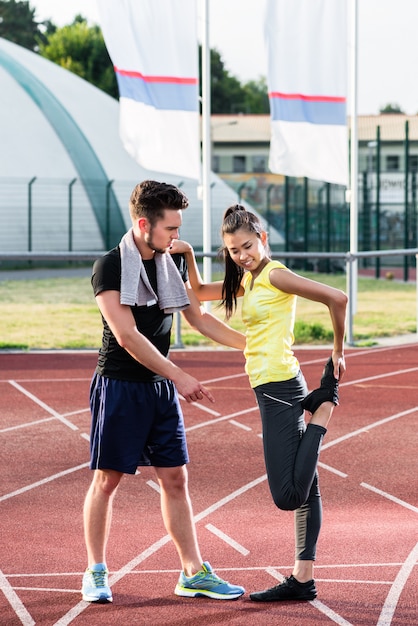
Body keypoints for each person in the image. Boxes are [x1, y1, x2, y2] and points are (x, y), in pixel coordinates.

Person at [171, 204, 347, 602]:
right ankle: (303, 580)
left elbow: (337, 297)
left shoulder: (274, 276)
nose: (242, 255)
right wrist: (186, 255)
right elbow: (197, 294)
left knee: (288, 495)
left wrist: (337, 351)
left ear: (262, 238)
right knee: (308, 487)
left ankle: (323, 410)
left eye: (247, 246)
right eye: (233, 250)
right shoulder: (248, 280)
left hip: (279, 388)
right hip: (276, 383)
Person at [81, 181, 246, 604]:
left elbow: (200, 320)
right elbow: (127, 336)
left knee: (176, 478)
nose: (177, 236)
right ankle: (96, 570)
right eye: (171, 228)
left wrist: (254, 345)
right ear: (144, 224)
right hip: (120, 387)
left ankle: (193, 573)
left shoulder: (166, 261)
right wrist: (179, 376)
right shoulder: (111, 266)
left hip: (158, 389)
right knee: (107, 480)